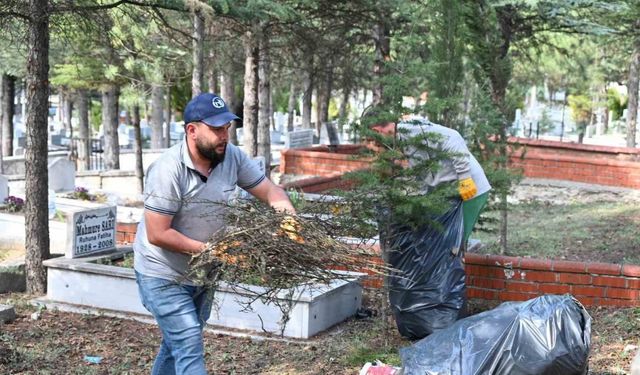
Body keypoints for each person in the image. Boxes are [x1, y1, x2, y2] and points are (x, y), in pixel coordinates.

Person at [133, 92, 296, 375]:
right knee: (188, 344)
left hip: (202, 272)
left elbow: (270, 190)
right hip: (163, 273)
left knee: (177, 346)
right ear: (192, 130)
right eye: (217, 129)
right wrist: (213, 251)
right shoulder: (167, 170)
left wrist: (288, 217)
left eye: (227, 128)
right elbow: (157, 234)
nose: (224, 136)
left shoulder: (231, 157)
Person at [369, 116, 491, 244]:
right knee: (443, 244)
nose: (374, 145)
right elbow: (423, 175)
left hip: (470, 190)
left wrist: (465, 177)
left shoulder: (410, 129)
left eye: (373, 140)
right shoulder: (405, 141)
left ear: (377, 131)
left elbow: (452, 136)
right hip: (454, 193)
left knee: (453, 244)